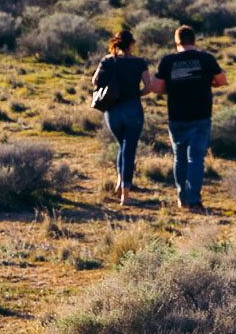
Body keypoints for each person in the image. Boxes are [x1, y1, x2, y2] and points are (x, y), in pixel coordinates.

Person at [153, 25, 227, 212]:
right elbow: (222, 81)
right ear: (194, 40)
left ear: (177, 41)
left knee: (180, 158)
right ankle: (194, 201)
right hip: (201, 114)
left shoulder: (168, 61)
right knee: (196, 158)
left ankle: (182, 199)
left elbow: (157, 87)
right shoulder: (206, 59)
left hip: (177, 116)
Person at [93, 29, 151, 206]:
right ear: (131, 44)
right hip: (133, 108)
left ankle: (120, 183)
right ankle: (125, 195)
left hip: (113, 110)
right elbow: (148, 87)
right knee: (129, 149)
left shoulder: (107, 60)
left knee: (122, 146)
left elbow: (95, 81)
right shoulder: (140, 62)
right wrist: (136, 94)